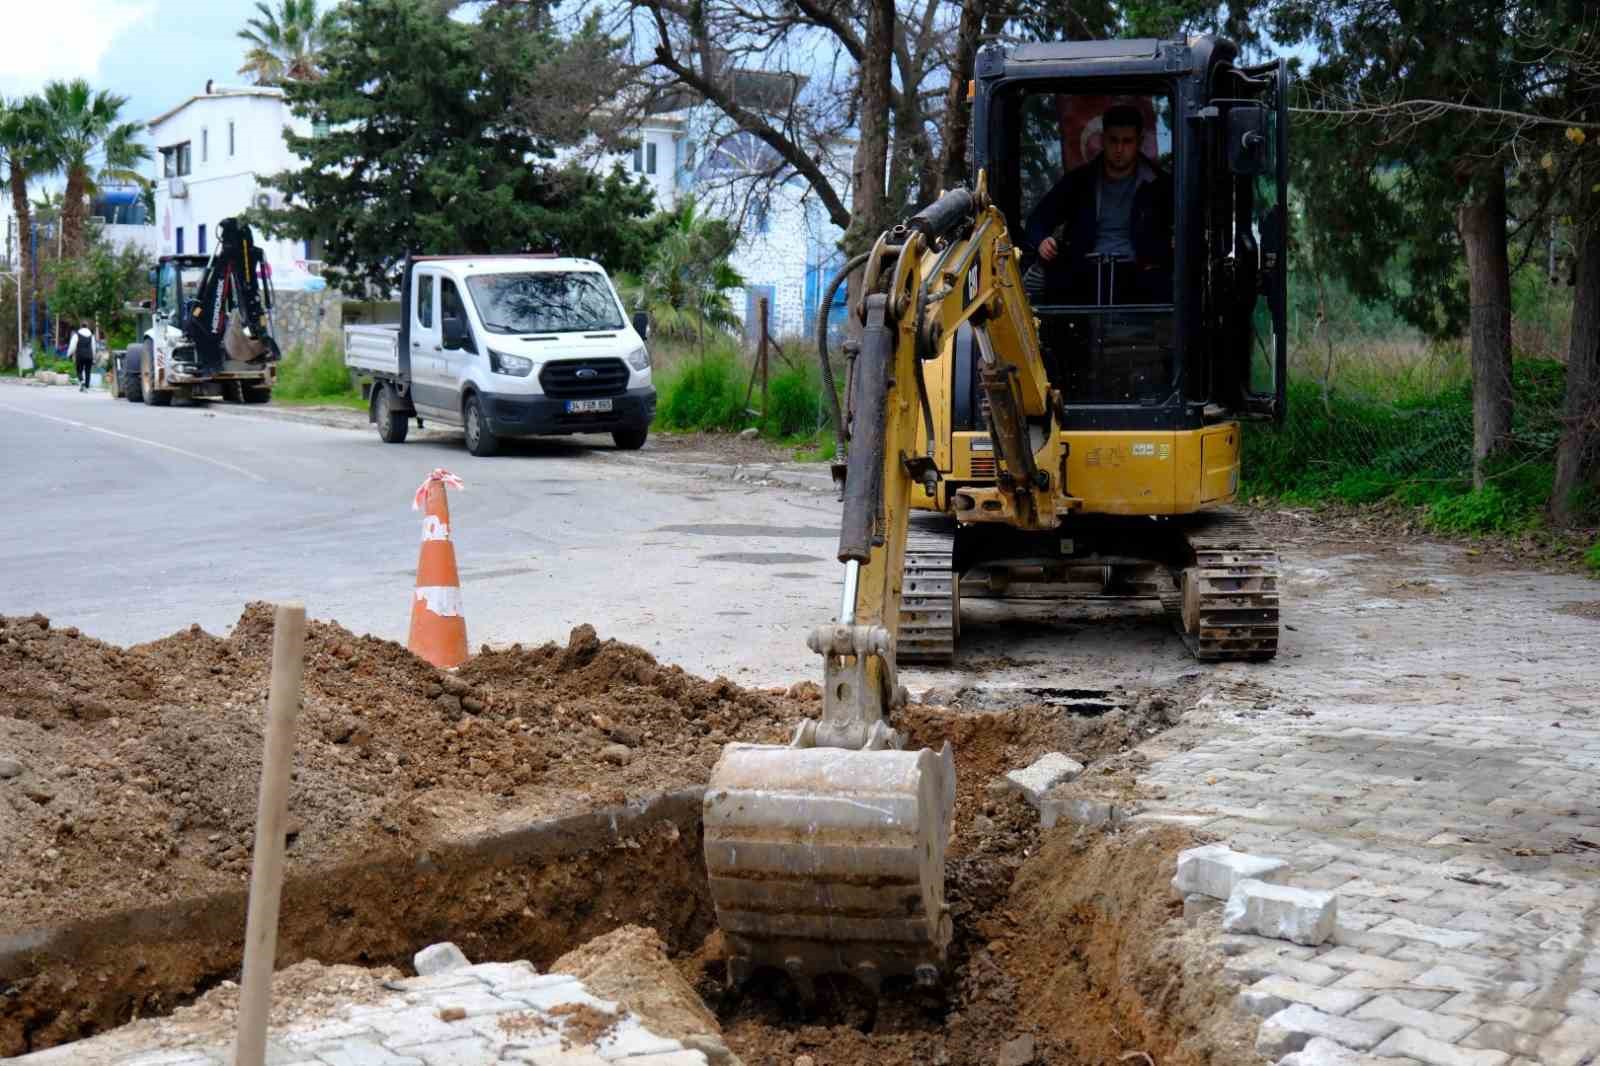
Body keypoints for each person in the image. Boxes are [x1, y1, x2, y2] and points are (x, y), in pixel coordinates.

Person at [1023, 103, 1174, 305]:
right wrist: (1042, 240)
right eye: (1113, 141)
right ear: (1103, 141)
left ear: (1139, 142)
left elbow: (1186, 229)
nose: (1119, 149)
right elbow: (1037, 220)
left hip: (1141, 285)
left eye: (1127, 141)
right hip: (1083, 281)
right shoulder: (1078, 182)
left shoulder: (1160, 186)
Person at [70, 322, 96, 392]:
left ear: (81, 326)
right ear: (87, 326)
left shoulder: (77, 335)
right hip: (89, 355)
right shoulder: (91, 335)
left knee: (79, 370)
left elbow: (73, 346)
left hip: (80, 355)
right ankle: (87, 386)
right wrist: (93, 357)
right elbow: (93, 347)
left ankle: (82, 382)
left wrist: (69, 354)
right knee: (88, 371)